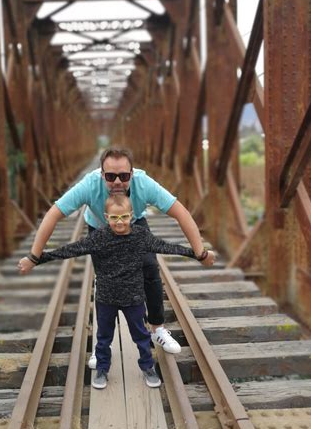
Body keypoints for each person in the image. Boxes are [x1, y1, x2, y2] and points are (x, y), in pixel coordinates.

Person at [18, 146, 215, 363]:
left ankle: (157, 329)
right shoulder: (89, 185)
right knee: (105, 278)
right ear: (101, 175)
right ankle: (101, 346)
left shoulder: (144, 183)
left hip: (133, 221)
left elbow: (181, 213)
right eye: (110, 176)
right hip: (100, 226)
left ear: (132, 173)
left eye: (124, 176)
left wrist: (200, 252)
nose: (118, 182)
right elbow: (53, 214)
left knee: (149, 269)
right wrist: (34, 257)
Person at [19, 195, 212, 389]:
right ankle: (102, 369)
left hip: (134, 298)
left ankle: (147, 367)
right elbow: (71, 250)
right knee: (103, 337)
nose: (119, 222)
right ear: (106, 217)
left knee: (141, 336)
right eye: (114, 218)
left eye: (124, 217)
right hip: (106, 299)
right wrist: (37, 259)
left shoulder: (140, 235)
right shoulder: (99, 237)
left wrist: (197, 254)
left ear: (132, 216)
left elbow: (167, 247)